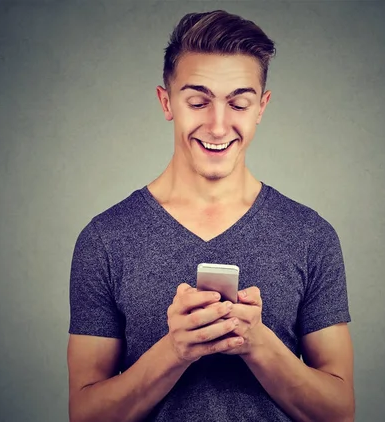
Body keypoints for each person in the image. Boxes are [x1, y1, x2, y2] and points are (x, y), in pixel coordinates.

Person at [67, 9, 354, 422]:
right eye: (198, 101)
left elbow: (340, 413)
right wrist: (174, 351)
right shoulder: (105, 239)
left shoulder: (311, 235)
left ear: (261, 107)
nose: (218, 126)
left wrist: (258, 345)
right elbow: (85, 415)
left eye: (238, 103)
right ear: (167, 102)